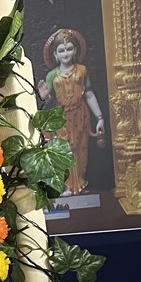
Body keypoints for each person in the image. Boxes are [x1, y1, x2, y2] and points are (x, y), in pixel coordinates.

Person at [37, 27, 105, 195]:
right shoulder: (52, 75)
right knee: (65, 151)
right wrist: (44, 96)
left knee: (81, 151)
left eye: (69, 49)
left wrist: (100, 117)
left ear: (75, 50)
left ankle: (80, 184)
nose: (65, 53)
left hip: (81, 116)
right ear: (55, 54)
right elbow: (48, 100)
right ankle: (68, 186)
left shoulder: (82, 71)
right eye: (61, 50)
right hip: (62, 118)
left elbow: (89, 94)